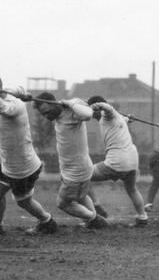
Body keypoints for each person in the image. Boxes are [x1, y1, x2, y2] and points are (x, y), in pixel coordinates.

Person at [0, 73, 57, 236]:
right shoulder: (5, 94)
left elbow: (3, 108)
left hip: (22, 167)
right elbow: (14, 90)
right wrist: (22, 91)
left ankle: (47, 222)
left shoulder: (14, 105)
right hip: (7, 164)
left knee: (23, 202)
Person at [34, 93, 110, 229]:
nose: (46, 116)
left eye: (47, 112)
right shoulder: (60, 115)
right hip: (74, 169)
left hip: (77, 171)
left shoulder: (72, 109)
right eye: (43, 114)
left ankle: (94, 219)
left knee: (62, 203)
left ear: (53, 103)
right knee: (81, 197)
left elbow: (88, 114)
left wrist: (70, 103)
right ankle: (93, 220)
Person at [85, 96, 148, 226]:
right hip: (132, 161)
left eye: (90, 110)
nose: (89, 113)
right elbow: (122, 119)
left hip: (117, 161)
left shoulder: (107, 115)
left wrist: (99, 105)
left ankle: (96, 207)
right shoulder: (116, 117)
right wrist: (129, 119)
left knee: (82, 176)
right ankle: (143, 217)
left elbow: (108, 108)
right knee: (132, 189)